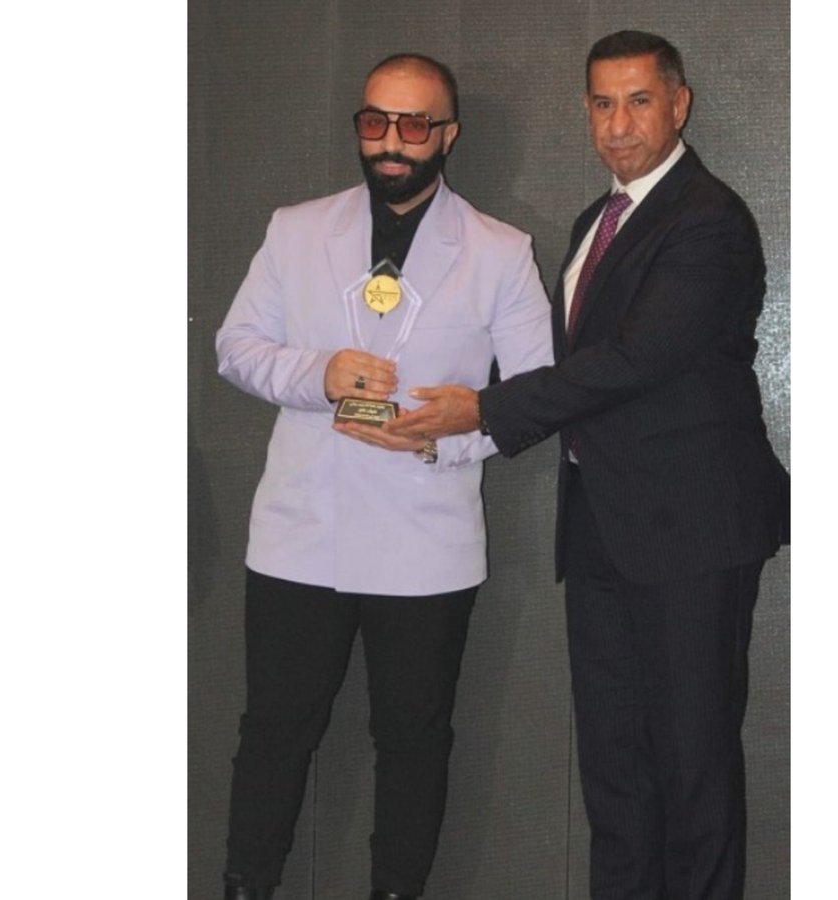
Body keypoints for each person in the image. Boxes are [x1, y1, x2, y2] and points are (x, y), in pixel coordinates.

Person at [386, 30, 790, 900]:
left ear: (679, 104)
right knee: (615, 768)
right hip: (607, 528)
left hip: (692, 532)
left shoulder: (707, 219)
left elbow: (637, 360)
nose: (618, 124)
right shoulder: (594, 224)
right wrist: (445, 417)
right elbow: (569, 368)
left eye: (639, 101)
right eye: (603, 104)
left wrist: (484, 409)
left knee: (692, 768)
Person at [213, 53, 552, 900]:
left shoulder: (501, 251)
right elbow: (235, 348)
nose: (391, 141)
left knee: (413, 742)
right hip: (300, 537)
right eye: (375, 122)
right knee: (274, 734)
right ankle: (246, 885)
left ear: (448, 134)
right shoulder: (295, 229)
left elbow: (536, 394)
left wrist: (450, 436)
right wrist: (317, 373)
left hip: (424, 542)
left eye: (413, 124)